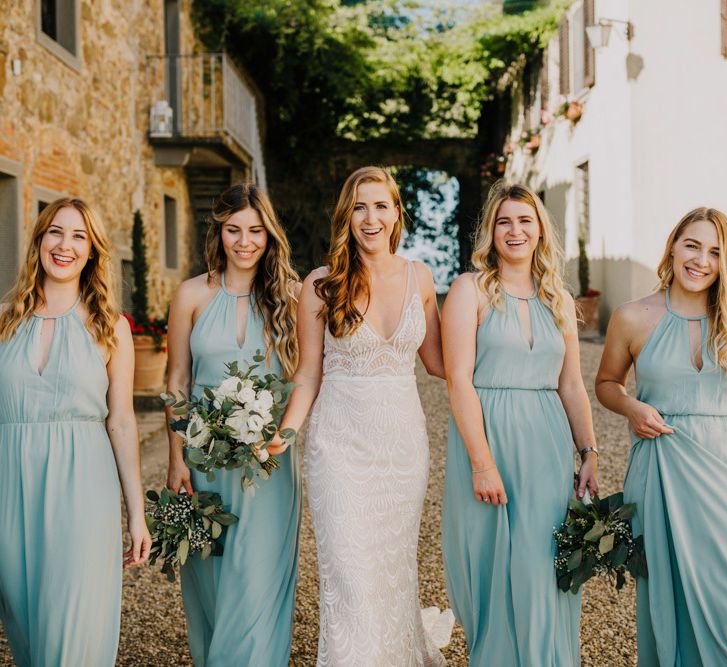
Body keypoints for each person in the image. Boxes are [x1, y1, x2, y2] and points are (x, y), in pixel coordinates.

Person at [272, 166, 447, 665]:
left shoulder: (421, 277)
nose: (371, 218)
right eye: (359, 207)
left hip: (402, 446)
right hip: (340, 445)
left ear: (397, 214)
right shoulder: (321, 285)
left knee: (392, 567)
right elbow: (308, 375)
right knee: (348, 571)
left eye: (381, 206)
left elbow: (439, 363)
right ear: (346, 217)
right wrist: (285, 433)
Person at [441, 181, 598, 666]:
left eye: (525, 220)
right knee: (492, 570)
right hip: (491, 442)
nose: (515, 230)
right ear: (490, 230)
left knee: (544, 567)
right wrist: (482, 462)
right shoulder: (470, 290)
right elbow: (458, 382)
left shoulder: (559, 299)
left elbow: (571, 384)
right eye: (504, 221)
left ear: (539, 230)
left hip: (547, 447)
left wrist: (589, 452)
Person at [0, 198, 150, 666]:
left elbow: (122, 421)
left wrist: (136, 513)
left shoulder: (111, 327)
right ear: (39, 241)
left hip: (83, 485)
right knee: (26, 628)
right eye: (55, 233)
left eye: (79, 237)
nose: (65, 246)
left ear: (92, 252)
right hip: (10, 486)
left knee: (72, 629)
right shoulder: (4, 317)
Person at [166, 183, 301, 666]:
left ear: (270, 235)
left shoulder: (292, 296)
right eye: (233, 230)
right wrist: (175, 458)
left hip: (268, 465)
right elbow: (178, 380)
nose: (245, 241)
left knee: (259, 581)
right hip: (202, 462)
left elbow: (309, 379)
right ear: (218, 232)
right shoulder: (190, 294)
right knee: (213, 582)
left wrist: (282, 436)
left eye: (256, 231)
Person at [595, 207, 727, 665]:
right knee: (667, 601)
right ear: (673, 245)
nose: (702, 260)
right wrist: (631, 406)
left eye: (715, 251)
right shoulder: (633, 316)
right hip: (662, 474)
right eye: (692, 245)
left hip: (723, 473)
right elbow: (607, 384)